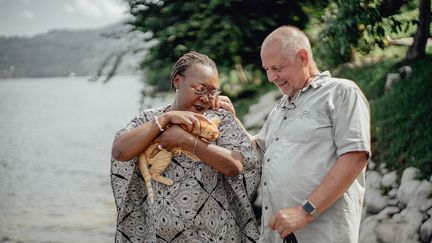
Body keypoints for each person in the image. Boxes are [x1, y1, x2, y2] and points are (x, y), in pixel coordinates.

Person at [216, 26, 371, 243]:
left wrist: (305, 211)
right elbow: (256, 151)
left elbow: (356, 156)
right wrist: (231, 121)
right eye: (267, 69)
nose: (271, 77)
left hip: (323, 235)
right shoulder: (279, 109)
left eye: (277, 68)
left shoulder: (342, 92)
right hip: (280, 236)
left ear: (302, 57)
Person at [110, 51, 261, 242]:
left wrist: (186, 141)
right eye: (200, 89)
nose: (206, 98)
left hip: (214, 236)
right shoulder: (149, 119)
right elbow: (120, 151)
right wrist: (164, 120)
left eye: (212, 91)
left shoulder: (218, 119)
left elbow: (235, 165)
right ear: (177, 81)